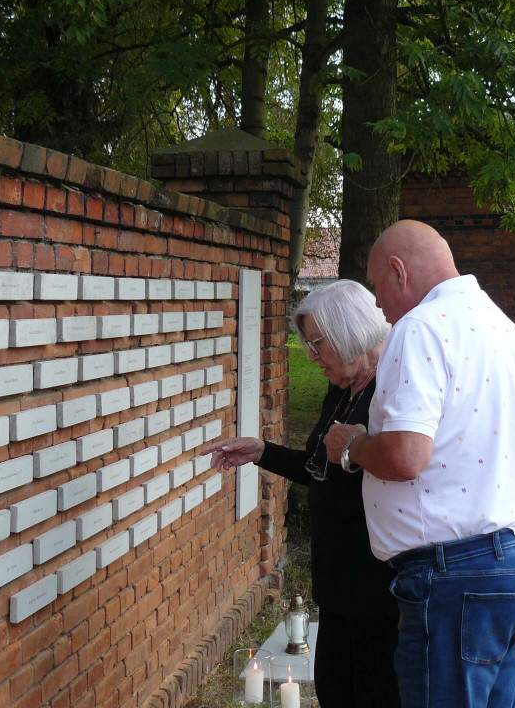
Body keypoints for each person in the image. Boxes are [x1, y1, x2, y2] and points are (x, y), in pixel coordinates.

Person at [324, 220, 515, 708]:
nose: (379, 304)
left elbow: (406, 456)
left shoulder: (421, 328)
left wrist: (353, 444)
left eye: (377, 286)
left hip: (456, 578)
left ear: (399, 271)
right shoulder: (501, 324)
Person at [201, 280, 400, 708]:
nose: (311, 357)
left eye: (317, 343)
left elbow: (404, 475)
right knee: (333, 688)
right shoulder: (343, 389)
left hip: (377, 586)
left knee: (374, 693)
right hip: (336, 581)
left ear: (349, 330)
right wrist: (262, 452)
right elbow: (320, 471)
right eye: (306, 344)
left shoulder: (393, 392)